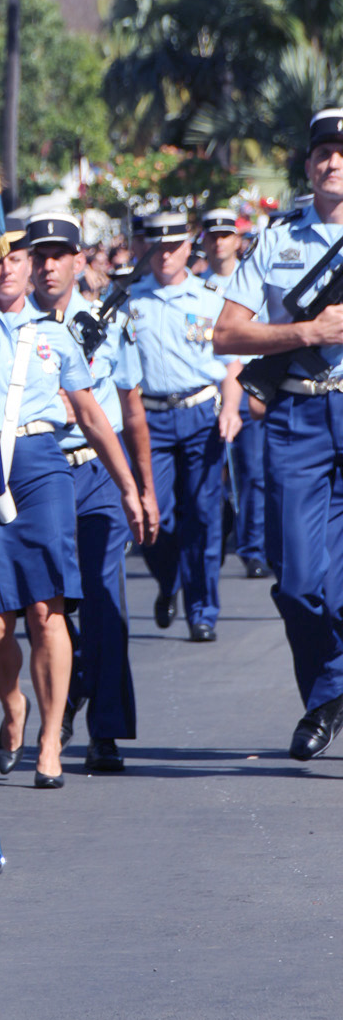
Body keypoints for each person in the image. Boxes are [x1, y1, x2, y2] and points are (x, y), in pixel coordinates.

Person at [0, 220, 143, 788]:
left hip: (41, 467)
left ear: (31, 267)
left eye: (17, 259)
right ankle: (14, 705)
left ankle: (52, 738)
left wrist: (127, 484)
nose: (6, 268)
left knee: (46, 610)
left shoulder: (55, 335)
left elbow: (89, 414)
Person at [214, 110, 343, 760]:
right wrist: (307, 333)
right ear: (308, 165)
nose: (334, 163)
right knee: (298, 586)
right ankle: (329, 690)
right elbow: (228, 334)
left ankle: (325, 701)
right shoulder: (276, 241)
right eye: (323, 152)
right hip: (298, 416)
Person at [27, 212, 159, 774]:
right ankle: (69, 684)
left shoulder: (108, 321)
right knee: (44, 606)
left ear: (81, 260)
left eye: (60, 254)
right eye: (39, 255)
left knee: (105, 602)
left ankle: (105, 731)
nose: (49, 264)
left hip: (96, 474)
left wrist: (142, 489)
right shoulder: (11, 325)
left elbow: (129, 410)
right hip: (35, 477)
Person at [124, 210, 242, 641]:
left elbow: (232, 366)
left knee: (203, 514)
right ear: (144, 249)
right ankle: (168, 578)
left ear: (188, 248)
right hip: (148, 419)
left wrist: (231, 408)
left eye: (172, 246)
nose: (164, 255)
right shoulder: (130, 301)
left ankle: (201, 610)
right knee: (155, 518)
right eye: (155, 247)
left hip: (198, 414)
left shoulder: (210, 298)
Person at [201, 207, 269, 579]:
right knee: (210, 479)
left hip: (248, 387)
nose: (219, 242)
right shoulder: (197, 287)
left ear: (237, 240)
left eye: (226, 235)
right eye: (212, 236)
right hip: (208, 390)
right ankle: (215, 539)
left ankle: (252, 547)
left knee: (252, 471)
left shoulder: (254, 280)